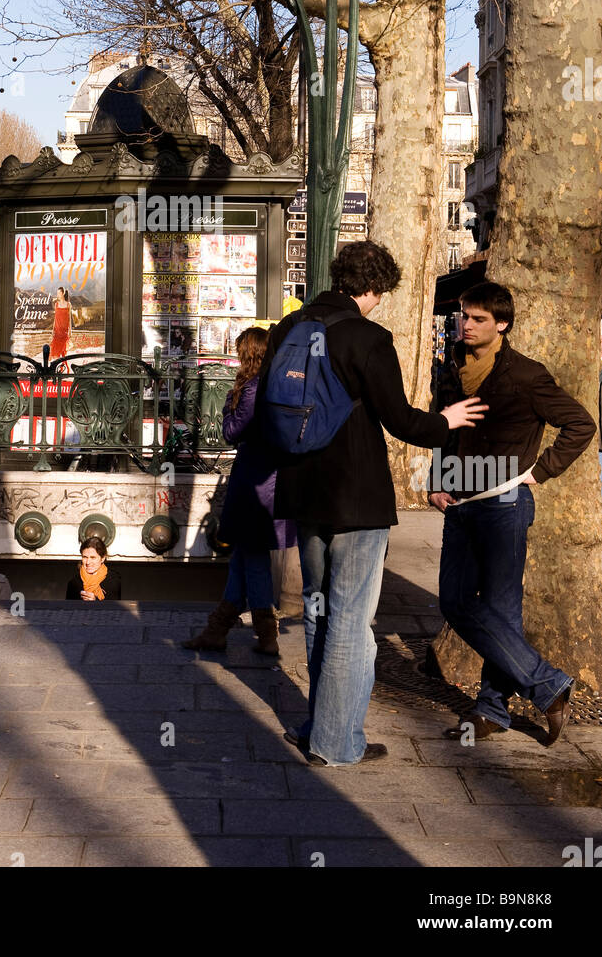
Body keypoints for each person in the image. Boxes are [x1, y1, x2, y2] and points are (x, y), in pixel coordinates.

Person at [257, 240, 486, 767]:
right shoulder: (367, 337)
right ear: (375, 289)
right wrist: (445, 424)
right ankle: (337, 742)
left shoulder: (289, 330)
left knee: (318, 609)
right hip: (355, 496)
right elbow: (400, 418)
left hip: (301, 488)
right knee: (352, 620)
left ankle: (318, 726)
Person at [430, 281, 595, 746]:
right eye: (464, 315)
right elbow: (447, 433)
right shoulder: (451, 372)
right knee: (455, 601)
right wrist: (436, 482)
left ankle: (490, 711)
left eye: (478, 318)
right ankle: (547, 684)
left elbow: (580, 424)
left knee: (502, 609)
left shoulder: (526, 375)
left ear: (501, 324)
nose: (466, 323)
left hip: (506, 502)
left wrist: (540, 473)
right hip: (460, 503)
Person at [183, 327, 293, 655]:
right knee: (243, 557)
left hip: (252, 483)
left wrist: (227, 407)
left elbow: (232, 432)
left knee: (253, 557)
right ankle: (217, 630)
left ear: (248, 355)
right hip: (273, 479)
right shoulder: (278, 386)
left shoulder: (250, 390)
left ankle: (266, 634)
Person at [65, 536, 121, 601]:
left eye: (93, 557)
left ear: (102, 558)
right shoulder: (74, 582)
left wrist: (95, 601)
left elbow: (115, 608)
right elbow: (69, 608)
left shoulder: (113, 580)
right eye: (85, 557)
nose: (88, 562)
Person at [49, 288, 71, 361]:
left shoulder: (68, 304)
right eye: (57, 293)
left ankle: (63, 368)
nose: (57, 295)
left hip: (64, 331)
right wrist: (53, 330)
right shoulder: (56, 304)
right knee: (55, 351)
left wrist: (70, 331)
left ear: (63, 293)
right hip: (57, 330)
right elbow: (55, 318)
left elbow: (70, 319)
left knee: (63, 352)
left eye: (59, 293)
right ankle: (58, 368)